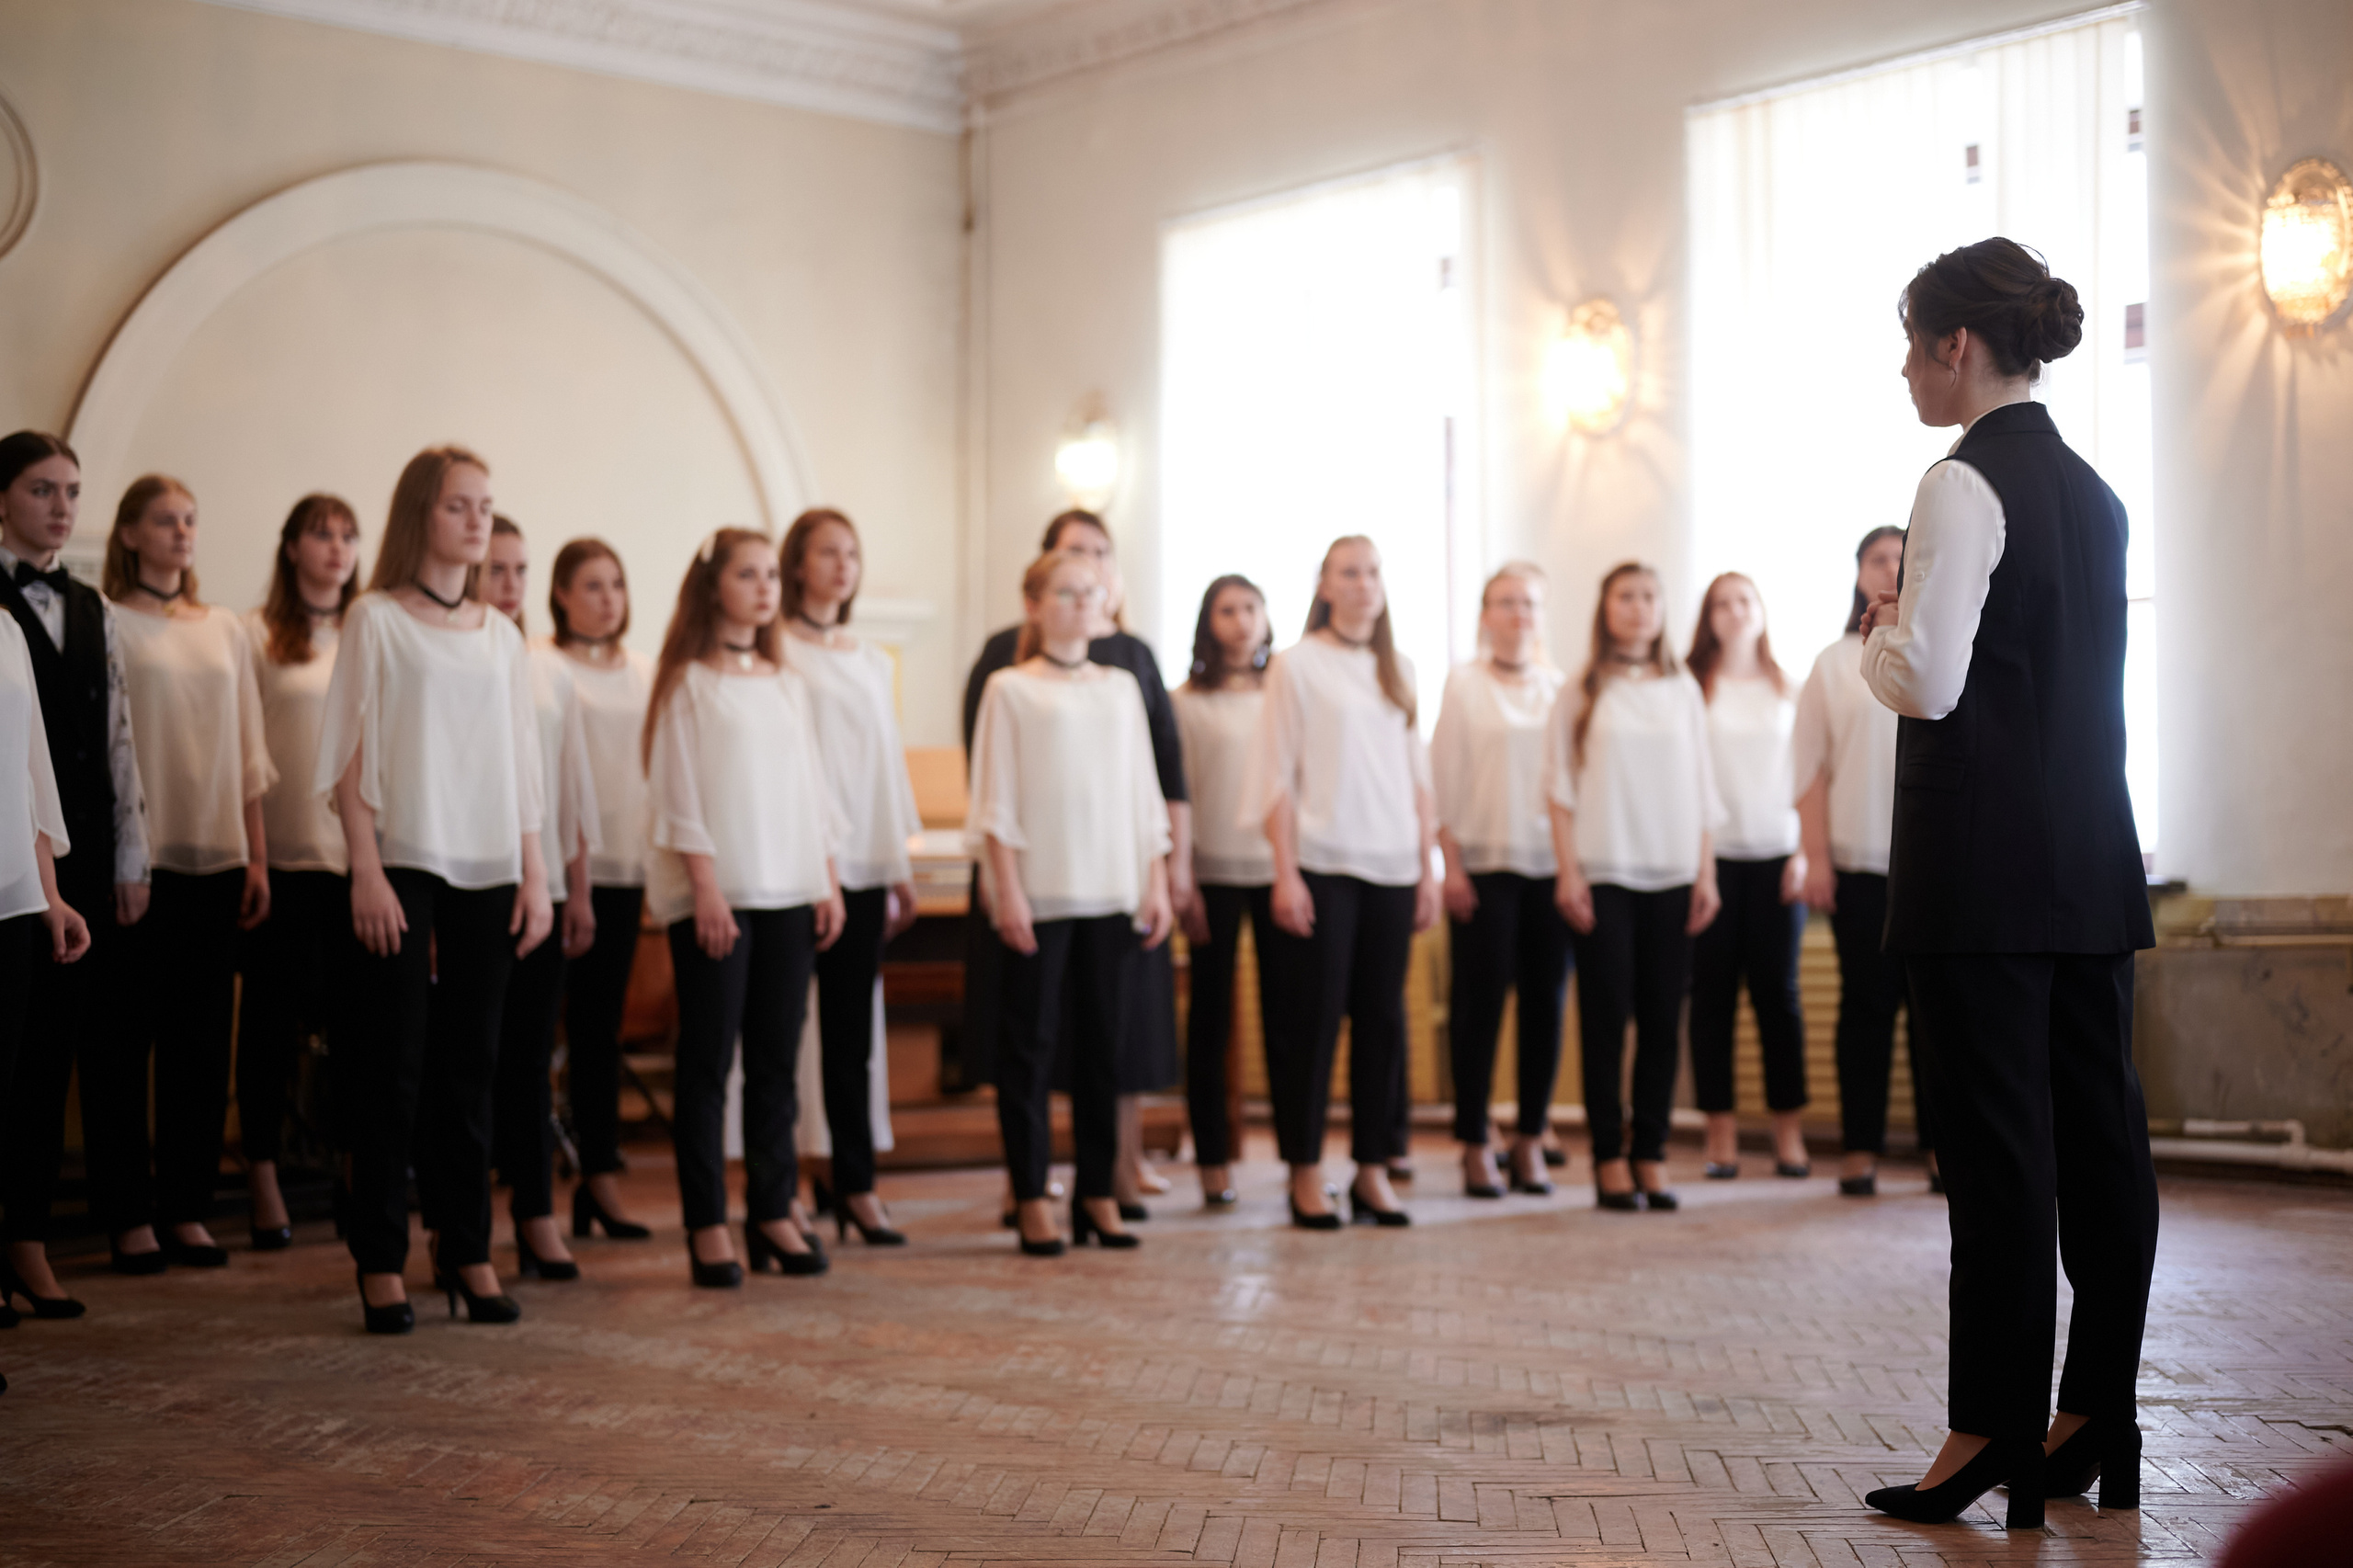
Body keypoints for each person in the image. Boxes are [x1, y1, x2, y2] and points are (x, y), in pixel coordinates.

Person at [1855, 239, 2157, 1528]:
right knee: (2100, 1141)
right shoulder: (2096, 494)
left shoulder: (1960, 480)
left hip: (1980, 869)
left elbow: (1929, 678)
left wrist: (1877, 630)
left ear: (1957, 348)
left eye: (1913, 341)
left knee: (1994, 1156)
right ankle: (2093, 1414)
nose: (1906, 366)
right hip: (2091, 853)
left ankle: (1988, 1429)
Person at [317, 446, 553, 1334]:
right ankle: (379, 1258)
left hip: (491, 863)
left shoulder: (500, 633)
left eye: (486, 505)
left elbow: (521, 766)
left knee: (473, 1068)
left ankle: (465, 1249)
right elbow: (344, 756)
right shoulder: (375, 618)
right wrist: (366, 866)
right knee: (393, 1065)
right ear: (422, 514)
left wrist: (536, 874)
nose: (478, 520)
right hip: (402, 859)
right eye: (461, 505)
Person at [961, 511, 1188, 1217]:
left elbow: (1145, 798)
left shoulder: (1120, 687)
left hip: (1112, 892)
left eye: (1092, 592)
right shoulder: (1010, 686)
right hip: (1040, 893)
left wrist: (1154, 883)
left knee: (1103, 1047)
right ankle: (1030, 1194)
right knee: (1028, 1049)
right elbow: (993, 801)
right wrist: (1008, 894)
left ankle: (1096, 1193)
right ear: (1034, 604)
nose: (1081, 604)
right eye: (1065, 592)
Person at [642, 528, 845, 1288]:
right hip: (719, 898)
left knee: (776, 1066)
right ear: (713, 587)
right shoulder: (687, 682)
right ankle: (705, 1223)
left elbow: (811, 787)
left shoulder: (786, 681)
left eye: (770, 575)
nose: (766, 588)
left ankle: (771, 1209)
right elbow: (678, 791)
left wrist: (824, 877)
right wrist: (704, 888)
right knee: (706, 1063)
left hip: (789, 889)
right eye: (748, 574)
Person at [97, 475, 275, 1271]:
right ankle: (129, 1216)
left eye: (190, 520)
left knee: (202, 1044)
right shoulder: (104, 617)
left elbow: (249, 752)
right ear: (130, 534)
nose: (181, 532)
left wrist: (257, 854)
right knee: (124, 1038)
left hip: (218, 855)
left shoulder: (226, 627)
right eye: (164, 521)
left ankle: (188, 1210)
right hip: (139, 858)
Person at [1248, 536, 1438, 1231]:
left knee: (1383, 1023)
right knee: (1312, 1023)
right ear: (1325, 585)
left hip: (1392, 865)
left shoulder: (1402, 669)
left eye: (1374, 572)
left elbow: (1418, 781)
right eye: (1349, 572)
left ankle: (1372, 1170)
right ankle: (1304, 1171)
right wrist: (1285, 872)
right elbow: (1276, 774)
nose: (1364, 584)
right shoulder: (1296, 666)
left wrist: (1426, 868)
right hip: (1322, 866)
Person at [0, 432, 146, 1310]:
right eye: (42, 489)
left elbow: (121, 742)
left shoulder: (94, 607)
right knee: (16, 1060)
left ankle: (29, 1237)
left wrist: (133, 856)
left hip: (79, 855)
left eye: (73, 491)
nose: (61, 506)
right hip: (12, 857)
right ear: (3, 499)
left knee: (69, 1052)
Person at [1547, 562, 1722, 1213]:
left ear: (1662, 607)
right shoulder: (1581, 689)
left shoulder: (1683, 691)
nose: (1639, 607)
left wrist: (1705, 872)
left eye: (1649, 595)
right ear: (1606, 607)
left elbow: (1705, 788)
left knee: (1660, 1024)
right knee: (1604, 1020)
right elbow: (1558, 788)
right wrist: (1569, 871)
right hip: (1605, 873)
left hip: (1675, 874)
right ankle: (1607, 1156)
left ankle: (1649, 1151)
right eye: (1626, 596)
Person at [779, 508, 920, 1246]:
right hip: (793, 863)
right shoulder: (774, 648)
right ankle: (788, 1183)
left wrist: (897, 864)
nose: (842, 565)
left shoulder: (867, 657)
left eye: (851, 553)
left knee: (851, 1032)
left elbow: (884, 766)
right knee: (781, 1034)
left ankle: (855, 1184)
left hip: (864, 862)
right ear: (796, 565)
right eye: (826, 552)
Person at [1791, 526, 1938, 1198]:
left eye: (1904, 555)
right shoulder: (1832, 663)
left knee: (1937, 1015)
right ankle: (1859, 1149)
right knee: (1866, 1011)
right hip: (1856, 865)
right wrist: (1816, 858)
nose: (1892, 564)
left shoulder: (1939, 648)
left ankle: (1943, 1150)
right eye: (1879, 556)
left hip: (1934, 865)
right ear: (1858, 573)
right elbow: (1809, 770)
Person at [238, 494, 362, 1249]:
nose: (337, 549)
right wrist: (253, 854)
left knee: (359, 1030)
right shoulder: (255, 634)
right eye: (322, 534)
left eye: (349, 536)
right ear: (291, 548)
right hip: (283, 857)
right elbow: (245, 755)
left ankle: (355, 1173)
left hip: (358, 862)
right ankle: (262, 1178)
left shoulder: (369, 630)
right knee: (269, 1027)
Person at [483, 517, 601, 1282]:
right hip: (465, 883)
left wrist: (578, 890)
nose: (511, 584)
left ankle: (534, 1214)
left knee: (528, 1062)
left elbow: (572, 791)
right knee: (460, 1062)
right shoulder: (446, 655)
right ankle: (453, 1222)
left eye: (521, 570)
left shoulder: (549, 670)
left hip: (544, 888)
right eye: (497, 569)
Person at [1431, 562, 1571, 1199]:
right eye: (1507, 602)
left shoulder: (1561, 689)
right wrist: (1450, 865)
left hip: (1550, 869)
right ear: (1486, 614)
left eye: (1530, 604)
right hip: (1483, 870)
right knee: (1477, 1011)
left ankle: (1530, 1138)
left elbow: (1574, 784)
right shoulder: (1463, 686)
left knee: (1546, 1007)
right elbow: (1444, 779)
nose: (1519, 614)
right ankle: (1473, 1142)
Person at [545, 537, 656, 1242]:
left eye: (616, 583)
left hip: (626, 869)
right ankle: (528, 1185)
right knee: (536, 1033)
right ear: (560, 594)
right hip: (556, 869)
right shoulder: (543, 664)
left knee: (598, 1029)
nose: (608, 598)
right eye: (592, 585)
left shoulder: (646, 671)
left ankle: (600, 1176)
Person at [1684, 572, 1811, 1180]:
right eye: (1722, 604)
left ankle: (1788, 1134)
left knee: (1778, 999)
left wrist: (1806, 853)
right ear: (1707, 618)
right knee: (1712, 1001)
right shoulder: (1690, 688)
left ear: (1761, 611)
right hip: (1709, 863)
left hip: (1779, 859)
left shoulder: (1791, 688)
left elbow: (1812, 778)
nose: (1735, 612)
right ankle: (1720, 1135)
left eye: (1744, 601)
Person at [0, 597, 95, 1350]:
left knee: (12, 1089)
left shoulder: (5, 626)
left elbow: (28, 777)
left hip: (10, 896)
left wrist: (51, 895)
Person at [1170, 574, 1274, 1209]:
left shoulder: (1284, 693)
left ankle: (1300, 1162)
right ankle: (1212, 1159)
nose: (1240, 621)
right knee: (1210, 1021)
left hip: (1280, 871)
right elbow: (1181, 793)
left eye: (1250, 609)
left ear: (1266, 619)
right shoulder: (1186, 702)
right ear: (1209, 623)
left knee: (1289, 1016)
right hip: (1211, 873)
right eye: (1227, 611)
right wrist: (1183, 877)